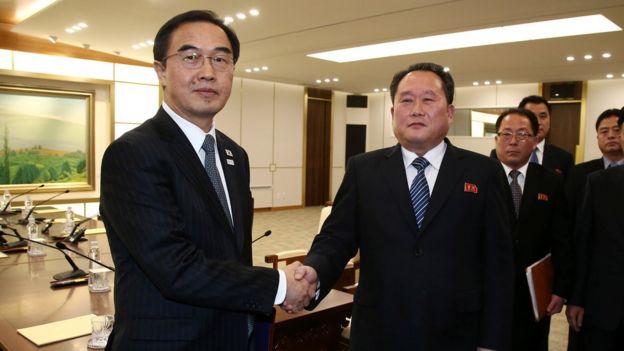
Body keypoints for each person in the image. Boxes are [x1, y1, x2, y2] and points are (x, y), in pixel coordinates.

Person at [99, 10, 314, 351]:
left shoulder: (234, 155)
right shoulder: (133, 154)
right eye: (190, 58)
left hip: (233, 336)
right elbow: (175, 269)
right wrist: (279, 285)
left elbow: (232, 255)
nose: (207, 72)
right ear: (161, 71)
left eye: (220, 59)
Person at [294, 62, 514, 350]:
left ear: (449, 112)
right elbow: (337, 238)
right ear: (392, 112)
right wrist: (314, 271)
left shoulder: (484, 173)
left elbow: (499, 263)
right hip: (379, 330)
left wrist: (492, 341)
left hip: (458, 332)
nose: (416, 109)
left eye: (428, 99)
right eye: (406, 100)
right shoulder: (364, 169)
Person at [493, 108, 571, 351]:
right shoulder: (479, 176)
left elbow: (562, 239)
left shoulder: (551, 181)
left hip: (535, 293)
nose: (513, 141)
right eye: (506, 134)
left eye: (522, 134)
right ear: (496, 139)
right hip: (489, 290)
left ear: (536, 140)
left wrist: (561, 289)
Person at [563, 108, 623, 351]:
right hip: (606, 306)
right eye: (604, 131)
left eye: (616, 130)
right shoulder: (598, 182)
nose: (612, 136)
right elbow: (583, 243)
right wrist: (576, 298)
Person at [490, 95, 574, 177]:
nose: (538, 122)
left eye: (543, 116)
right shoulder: (499, 154)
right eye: (531, 116)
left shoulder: (564, 158)